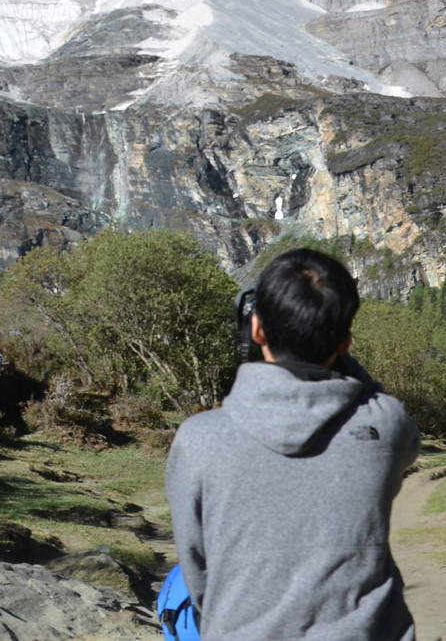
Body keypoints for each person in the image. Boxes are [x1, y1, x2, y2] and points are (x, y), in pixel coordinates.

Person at [164, 247, 419, 641]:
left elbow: (197, 574)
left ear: (257, 329)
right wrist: (338, 354)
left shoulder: (198, 440)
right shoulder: (385, 423)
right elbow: (375, 399)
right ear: (346, 340)